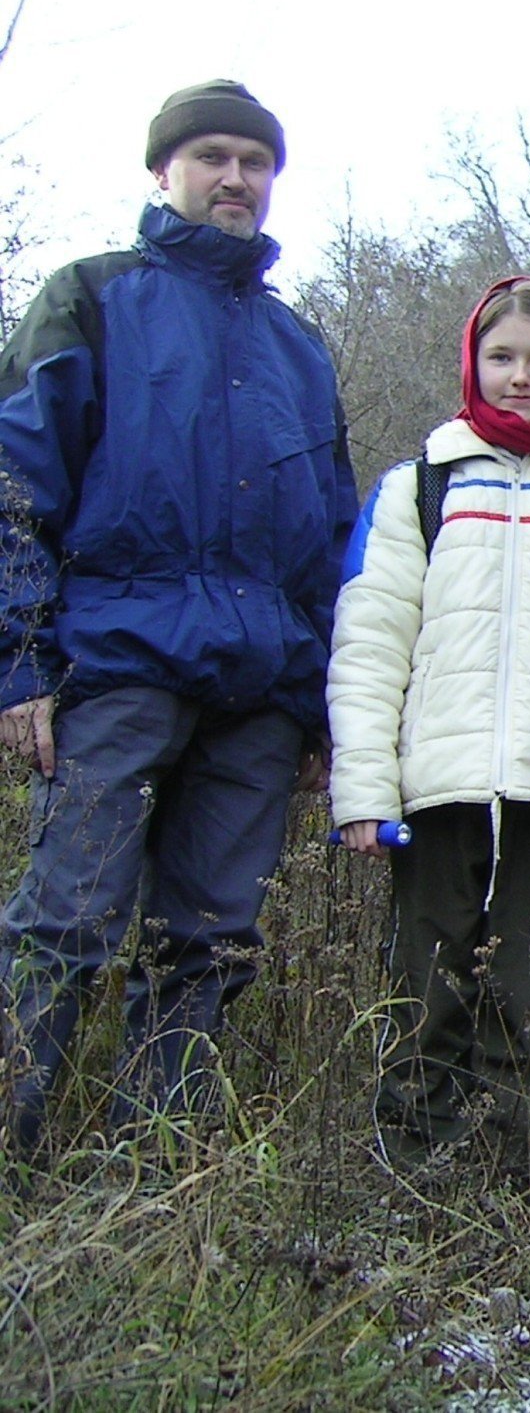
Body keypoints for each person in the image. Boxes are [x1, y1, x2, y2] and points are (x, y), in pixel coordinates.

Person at [0, 80, 358, 1157]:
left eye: (255, 162)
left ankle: (153, 1180)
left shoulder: (299, 348)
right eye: (212, 157)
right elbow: (15, 491)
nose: (235, 179)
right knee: (65, 923)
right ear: (164, 172)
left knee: (210, 943)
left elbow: (329, 540)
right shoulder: (92, 297)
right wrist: (20, 668)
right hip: (116, 666)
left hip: (259, 697)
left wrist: (319, 710)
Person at [327, 277, 530, 1181]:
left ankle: (521, 1185)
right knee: (425, 989)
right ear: (472, 361)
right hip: (434, 789)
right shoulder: (419, 486)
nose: (521, 377)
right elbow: (370, 642)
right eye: (502, 356)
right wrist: (364, 789)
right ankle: (415, 1174)